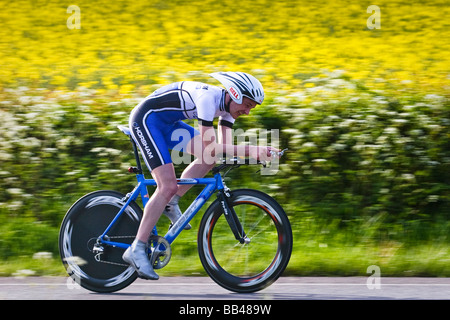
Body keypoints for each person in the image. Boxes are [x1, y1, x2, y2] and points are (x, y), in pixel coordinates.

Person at [122, 72, 280, 280]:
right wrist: (250, 150)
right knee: (166, 186)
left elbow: (221, 150)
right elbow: (212, 146)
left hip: (167, 124)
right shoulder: (207, 100)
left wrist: (254, 154)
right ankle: (137, 247)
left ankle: (171, 203)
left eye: (252, 107)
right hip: (146, 121)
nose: (248, 112)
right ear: (235, 94)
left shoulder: (228, 110)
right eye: (248, 105)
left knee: (209, 159)